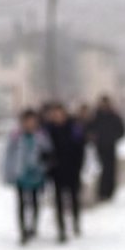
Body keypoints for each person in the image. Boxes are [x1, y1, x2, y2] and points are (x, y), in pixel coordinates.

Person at [3, 109, 53, 244]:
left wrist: (45, 167)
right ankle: (23, 230)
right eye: (27, 121)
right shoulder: (15, 136)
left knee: (35, 201)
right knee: (21, 203)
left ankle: (33, 227)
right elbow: (8, 156)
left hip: (37, 174)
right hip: (20, 174)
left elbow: (48, 153)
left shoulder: (41, 136)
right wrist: (8, 173)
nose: (30, 124)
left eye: (32, 121)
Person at [43, 102, 86, 242]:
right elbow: (44, 150)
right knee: (59, 200)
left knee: (74, 198)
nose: (57, 117)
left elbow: (80, 147)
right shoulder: (48, 130)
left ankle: (75, 223)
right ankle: (61, 229)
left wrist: (79, 166)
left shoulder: (73, 127)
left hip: (72, 169)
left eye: (59, 113)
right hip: (56, 171)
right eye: (55, 114)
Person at [88, 96, 125, 201]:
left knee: (110, 169)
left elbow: (122, 130)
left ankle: (109, 192)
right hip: (100, 147)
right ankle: (102, 192)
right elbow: (89, 129)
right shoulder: (96, 116)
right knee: (103, 168)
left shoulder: (114, 116)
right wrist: (94, 138)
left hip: (110, 146)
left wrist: (114, 138)